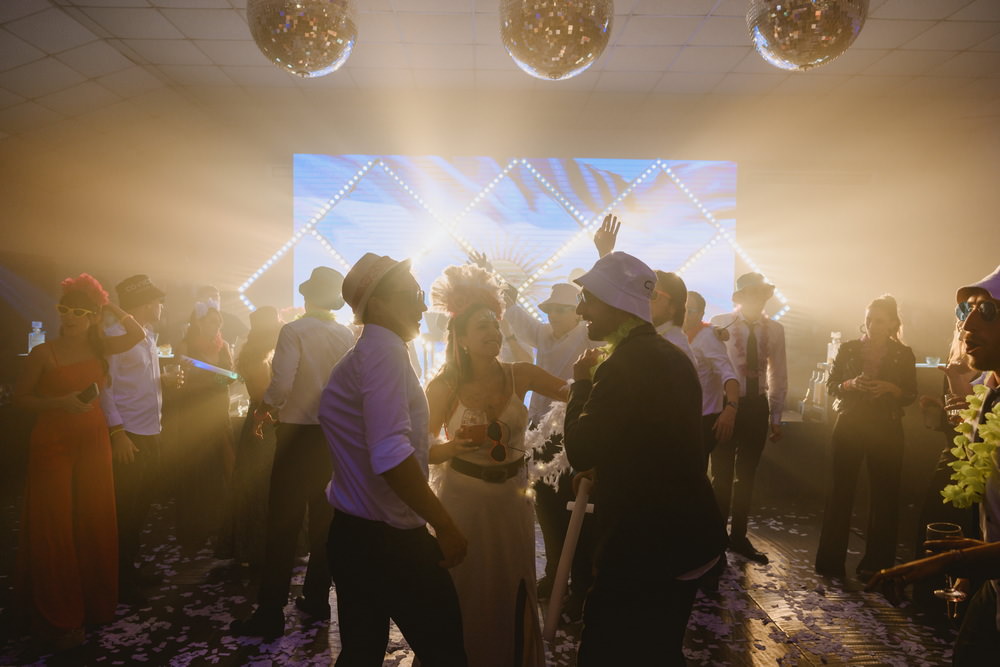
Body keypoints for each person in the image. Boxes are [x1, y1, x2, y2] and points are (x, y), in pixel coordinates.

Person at [565, 252, 727, 666]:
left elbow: (581, 448)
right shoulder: (668, 354)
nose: (580, 308)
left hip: (647, 545)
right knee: (658, 648)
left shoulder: (622, 365)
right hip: (686, 534)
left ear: (616, 303)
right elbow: (652, 440)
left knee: (604, 649)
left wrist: (580, 387)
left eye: (588, 297)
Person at [320, 253, 468, 666]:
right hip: (389, 541)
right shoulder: (383, 352)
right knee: (446, 654)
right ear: (379, 304)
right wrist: (446, 524)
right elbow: (390, 455)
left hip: (354, 534)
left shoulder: (367, 354)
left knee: (362, 652)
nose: (423, 306)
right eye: (414, 294)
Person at [425, 263, 569, 667]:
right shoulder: (443, 386)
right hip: (462, 501)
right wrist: (453, 448)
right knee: (465, 586)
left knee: (512, 585)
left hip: (511, 499)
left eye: (495, 323)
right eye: (481, 327)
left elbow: (575, 394)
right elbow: (418, 450)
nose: (492, 332)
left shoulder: (519, 374)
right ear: (462, 339)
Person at [868, 265, 1000, 665]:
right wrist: (974, 564)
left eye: (988, 311)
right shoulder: (987, 393)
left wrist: (953, 561)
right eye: (965, 310)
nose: (967, 323)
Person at [13, 274, 144, 650]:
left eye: (79, 311)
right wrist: (59, 401)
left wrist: (106, 302)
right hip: (52, 440)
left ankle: (96, 604)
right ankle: (58, 613)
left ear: (91, 317)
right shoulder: (44, 352)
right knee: (53, 523)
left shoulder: (101, 344)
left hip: (92, 438)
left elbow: (137, 334)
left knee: (94, 516)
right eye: (64, 310)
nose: (69, 317)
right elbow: (20, 399)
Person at [230, 268, 354, 639]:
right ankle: (316, 598)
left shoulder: (294, 331)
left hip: (297, 437)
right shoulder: (345, 334)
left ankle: (270, 613)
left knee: (281, 526)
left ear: (307, 298)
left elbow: (281, 382)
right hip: (332, 438)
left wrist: (265, 408)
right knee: (324, 523)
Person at [814, 295, 917, 579]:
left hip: (886, 428)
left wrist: (889, 388)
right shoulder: (848, 349)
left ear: (893, 323)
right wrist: (851, 383)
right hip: (850, 424)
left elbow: (910, 394)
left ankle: (877, 565)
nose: (872, 325)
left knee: (885, 495)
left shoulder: (903, 354)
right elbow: (832, 385)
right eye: (869, 319)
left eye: (879, 321)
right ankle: (830, 562)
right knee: (839, 492)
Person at [100, 274, 180, 601]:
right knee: (125, 512)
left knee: (140, 508)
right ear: (146, 303)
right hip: (129, 434)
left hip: (150, 430)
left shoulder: (146, 335)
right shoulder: (112, 336)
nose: (162, 306)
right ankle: (117, 582)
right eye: (158, 300)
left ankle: (128, 570)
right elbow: (103, 387)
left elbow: (138, 380)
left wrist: (165, 379)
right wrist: (117, 432)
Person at [710, 272, 788, 564]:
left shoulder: (776, 330)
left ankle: (739, 536)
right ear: (740, 298)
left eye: (762, 293)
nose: (758, 298)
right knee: (721, 476)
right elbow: (709, 365)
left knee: (747, 476)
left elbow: (778, 372)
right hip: (725, 405)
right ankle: (716, 539)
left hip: (757, 405)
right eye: (752, 293)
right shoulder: (721, 324)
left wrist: (776, 415)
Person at [173, 298, 236, 552]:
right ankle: (193, 530)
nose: (216, 326)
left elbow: (231, 377)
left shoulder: (224, 348)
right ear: (198, 322)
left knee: (219, 471)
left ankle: (216, 527)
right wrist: (207, 381)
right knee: (195, 472)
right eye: (211, 321)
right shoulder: (186, 345)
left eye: (218, 322)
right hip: (193, 417)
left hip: (217, 414)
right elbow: (179, 383)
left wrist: (215, 382)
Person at [227, 306, 283, 570]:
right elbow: (262, 397)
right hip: (264, 421)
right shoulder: (258, 359)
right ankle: (260, 546)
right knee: (263, 484)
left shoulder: (263, 355)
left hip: (265, 419)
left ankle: (261, 545)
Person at [683, 290, 740, 468]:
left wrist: (731, 408)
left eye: (690, 310)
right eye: (682, 308)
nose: (684, 313)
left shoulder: (708, 336)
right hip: (681, 419)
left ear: (700, 314)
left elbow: (728, 374)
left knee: (693, 475)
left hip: (702, 419)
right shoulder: (674, 334)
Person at [651, 270, 698, 369]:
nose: (644, 299)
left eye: (653, 294)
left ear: (673, 307)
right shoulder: (655, 338)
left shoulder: (675, 349)